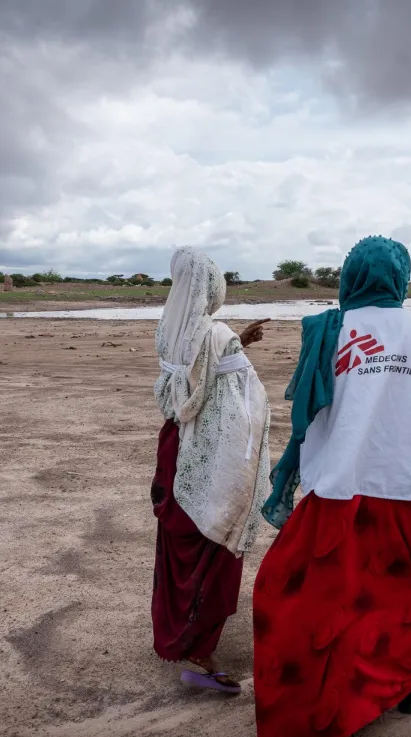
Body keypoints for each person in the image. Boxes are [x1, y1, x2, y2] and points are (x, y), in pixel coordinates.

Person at [252, 236, 411, 737]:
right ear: (401, 278)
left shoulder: (328, 331)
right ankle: (403, 683)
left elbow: (308, 408)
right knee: (400, 592)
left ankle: (337, 726)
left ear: (350, 278)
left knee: (327, 601)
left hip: (340, 488)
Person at [151, 247, 271, 693]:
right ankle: (203, 650)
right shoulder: (219, 337)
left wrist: (237, 338)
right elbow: (246, 404)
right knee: (214, 541)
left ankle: (172, 633)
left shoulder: (169, 331)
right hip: (209, 451)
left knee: (178, 540)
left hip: (175, 446)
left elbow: (197, 372)